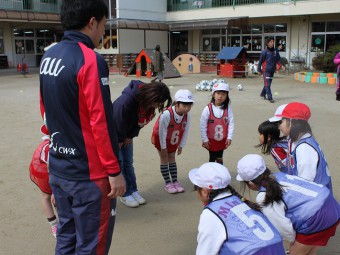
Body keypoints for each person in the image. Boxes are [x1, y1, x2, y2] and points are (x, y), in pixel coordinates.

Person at [39, 0, 126, 253]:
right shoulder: (90, 60)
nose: (103, 31)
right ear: (92, 22)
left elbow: (45, 112)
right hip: (89, 176)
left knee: (66, 237)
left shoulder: (49, 56)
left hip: (59, 169)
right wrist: (114, 170)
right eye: (104, 24)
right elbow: (101, 120)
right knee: (92, 246)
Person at [236, 154, 340, 255]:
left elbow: (284, 229)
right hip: (330, 203)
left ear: (250, 183)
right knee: (310, 247)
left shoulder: (264, 196)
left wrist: (294, 243)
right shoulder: (279, 175)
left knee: (297, 250)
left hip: (317, 216)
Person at [189, 162, 286, 255]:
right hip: (278, 249)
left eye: (196, 189)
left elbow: (205, 251)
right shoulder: (240, 200)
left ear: (205, 192)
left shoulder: (210, 212)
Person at [113, 80, 172, 207]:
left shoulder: (146, 103)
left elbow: (139, 122)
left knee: (128, 163)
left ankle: (133, 190)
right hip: (114, 135)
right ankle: (125, 194)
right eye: (157, 103)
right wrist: (118, 141)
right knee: (120, 164)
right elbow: (116, 122)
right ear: (151, 96)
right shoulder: (126, 101)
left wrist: (130, 136)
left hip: (126, 135)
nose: (157, 106)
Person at [269, 102, 333, 192]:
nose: (278, 127)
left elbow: (304, 187)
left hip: (315, 200)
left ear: (291, 122)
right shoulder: (295, 140)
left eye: (280, 122)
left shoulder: (304, 149)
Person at [151, 89, 194, 194]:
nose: (187, 109)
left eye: (189, 106)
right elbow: (162, 132)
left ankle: (175, 181)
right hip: (161, 139)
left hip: (174, 138)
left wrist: (181, 145)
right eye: (184, 106)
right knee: (164, 158)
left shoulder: (187, 116)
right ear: (177, 103)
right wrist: (163, 147)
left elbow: (185, 131)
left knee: (172, 157)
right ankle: (168, 183)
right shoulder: (167, 114)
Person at [29, 125, 58, 238]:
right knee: (47, 197)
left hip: (45, 167)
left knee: (53, 196)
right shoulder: (49, 148)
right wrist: (54, 190)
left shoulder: (50, 143)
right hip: (42, 171)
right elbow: (51, 170)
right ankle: (54, 225)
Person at [200, 82, 234, 164]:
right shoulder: (208, 108)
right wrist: (204, 139)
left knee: (220, 157)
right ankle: (211, 174)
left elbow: (231, 123)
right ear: (213, 94)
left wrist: (229, 137)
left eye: (223, 94)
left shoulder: (228, 109)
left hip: (222, 139)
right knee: (212, 157)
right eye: (218, 93)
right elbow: (202, 125)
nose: (220, 96)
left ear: (226, 96)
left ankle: (220, 173)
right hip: (211, 140)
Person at [257, 105, 289, 173]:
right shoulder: (283, 140)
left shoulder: (275, 148)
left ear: (268, 137)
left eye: (260, 134)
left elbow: (286, 165)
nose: (259, 136)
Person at [258, 37, 285, 103]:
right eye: (271, 42)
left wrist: (282, 65)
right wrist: (259, 70)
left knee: (268, 84)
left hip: (272, 70)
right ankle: (270, 97)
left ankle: (262, 94)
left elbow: (278, 59)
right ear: (267, 43)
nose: (272, 43)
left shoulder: (275, 50)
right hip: (266, 71)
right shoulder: (264, 51)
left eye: (273, 41)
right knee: (267, 84)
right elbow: (260, 61)